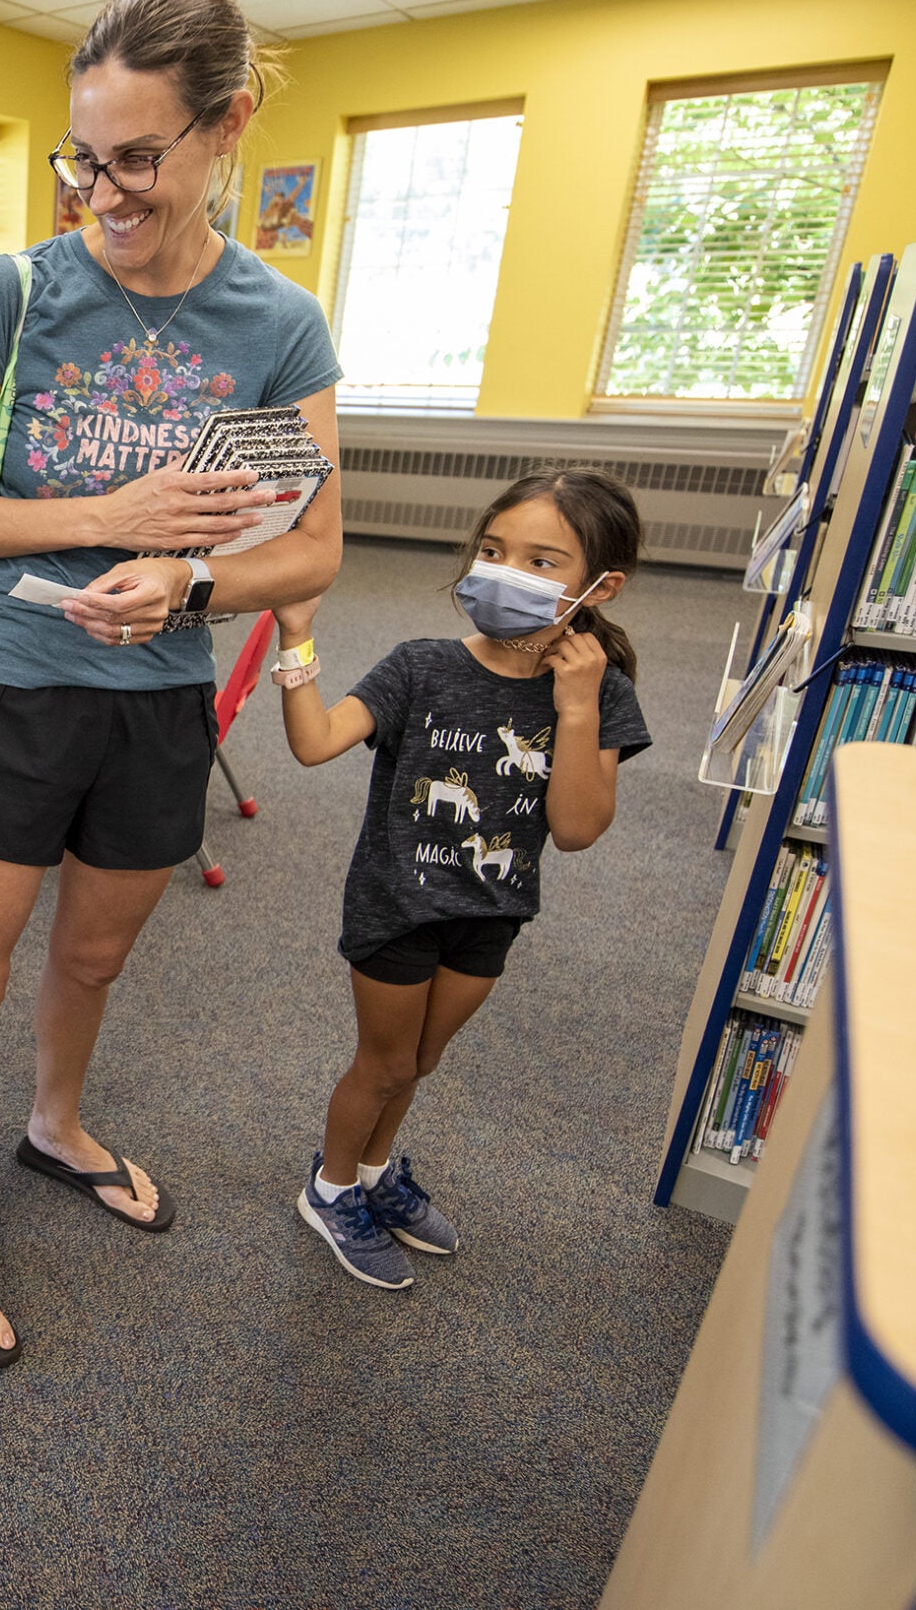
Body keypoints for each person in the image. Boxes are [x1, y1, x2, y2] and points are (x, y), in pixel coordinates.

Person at [0, 0, 344, 1367]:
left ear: (227, 131)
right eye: (86, 157)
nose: (106, 192)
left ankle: (56, 1126)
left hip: (161, 701)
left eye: (138, 158)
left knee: (92, 955)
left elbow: (314, 547)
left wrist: (192, 577)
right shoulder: (20, 290)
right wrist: (107, 519)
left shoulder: (279, 325)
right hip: (9, 681)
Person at [271, 467, 651, 1290]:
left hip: (491, 910)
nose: (505, 571)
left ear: (600, 586)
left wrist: (578, 707)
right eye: (492, 549)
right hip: (397, 905)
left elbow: (579, 829)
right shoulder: (422, 666)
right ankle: (331, 1187)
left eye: (542, 562)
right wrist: (295, 638)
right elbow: (314, 743)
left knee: (420, 1062)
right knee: (381, 1064)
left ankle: (375, 1174)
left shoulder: (599, 692)